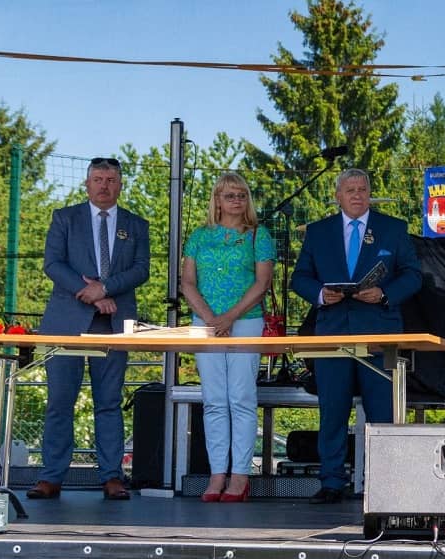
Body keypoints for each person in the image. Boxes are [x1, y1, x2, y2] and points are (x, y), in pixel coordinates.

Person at [291, 168, 422, 504]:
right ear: (338, 196)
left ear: (369, 194)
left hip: (379, 334)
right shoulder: (318, 232)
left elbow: (413, 275)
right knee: (332, 411)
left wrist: (385, 293)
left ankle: (386, 483)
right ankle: (331, 481)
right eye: (350, 190)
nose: (357, 195)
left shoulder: (393, 229)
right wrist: (321, 295)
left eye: (362, 189)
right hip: (332, 334)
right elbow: (300, 278)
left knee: (382, 412)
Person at [28, 157, 150, 501]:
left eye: (110, 180)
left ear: (120, 185)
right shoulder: (64, 218)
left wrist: (105, 288)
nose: (104, 186)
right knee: (59, 402)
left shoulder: (136, 224)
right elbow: (53, 264)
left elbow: (141, 269)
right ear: (87, 184)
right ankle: (51, 476)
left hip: (114, 323)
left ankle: (112, 476)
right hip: (66, 322)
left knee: (109, 402)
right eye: (98, 179)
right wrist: (92, 294)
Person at [179, 172, 275, 503]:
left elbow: (262, 283)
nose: (236, 200)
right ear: (217, 200)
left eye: (242, 195)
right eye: (229, 195)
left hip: (245, 321)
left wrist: (229, 317)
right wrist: (210, 319)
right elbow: (187, 282)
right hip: (204, 322)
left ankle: (240, 476)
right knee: (214, 399)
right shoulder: (198, 236)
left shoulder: (259, 235)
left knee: (241, 397)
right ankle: (217, 473)